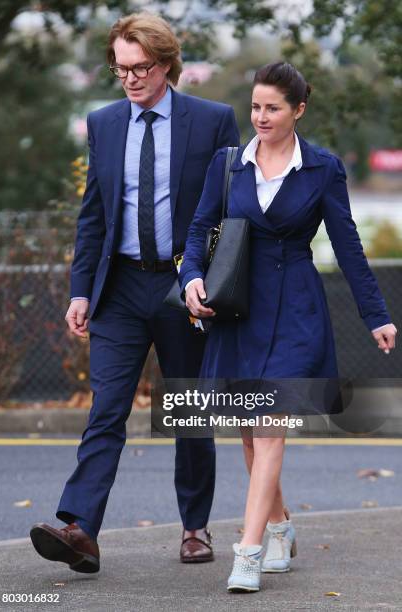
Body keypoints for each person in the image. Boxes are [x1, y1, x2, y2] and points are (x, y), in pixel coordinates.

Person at [29, 12, 239, 573]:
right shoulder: (103, 123)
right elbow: (94, 213)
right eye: (120, 69)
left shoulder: (213, 121)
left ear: (167, 64)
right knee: (107, 410)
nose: (130, 79)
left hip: (183, 287)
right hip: (118, 287)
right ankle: (79, 529)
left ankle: (195, 527)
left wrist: (214, 282)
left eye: (141, 67)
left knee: (190, 411)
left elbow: (229, 210)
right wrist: (81, 290)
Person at [179, 61, 397, 593]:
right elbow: (200, 228)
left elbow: (348, 245)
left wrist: (377, 315)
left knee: (270, 425)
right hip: (239, 309)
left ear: (298, 110)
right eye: (255, 106)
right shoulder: (228, 164)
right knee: (248, 433)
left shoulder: (322, 168)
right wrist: (190, 277)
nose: (261, 116)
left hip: (297, 307)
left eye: (272, 108)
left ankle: (248, 552)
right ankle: (279, 525)